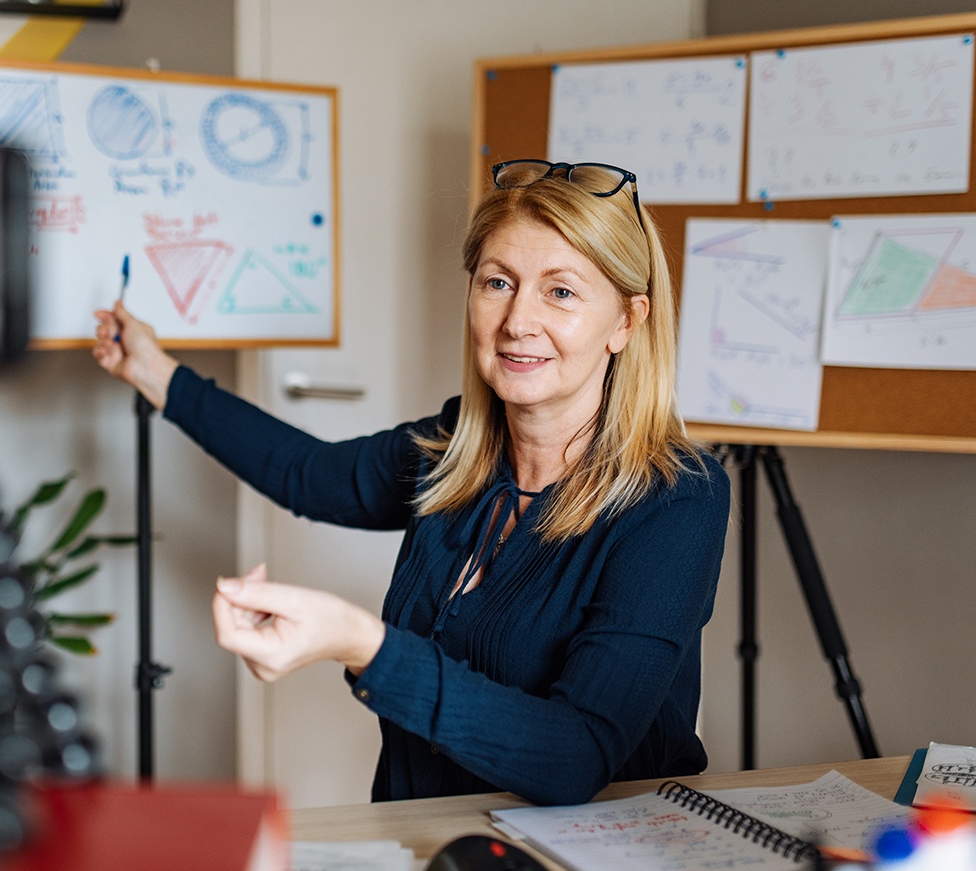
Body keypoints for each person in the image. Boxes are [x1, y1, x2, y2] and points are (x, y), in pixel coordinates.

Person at [90, 160, 730, 807]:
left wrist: (360, 643)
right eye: (498, 282)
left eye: (560, 292)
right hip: (429, 839)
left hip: (600, 864)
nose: (516, 320)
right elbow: (307, 476)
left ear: (626, 320)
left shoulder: (677, 497)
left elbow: (575, 756)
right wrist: (155, 373)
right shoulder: (454, 450)